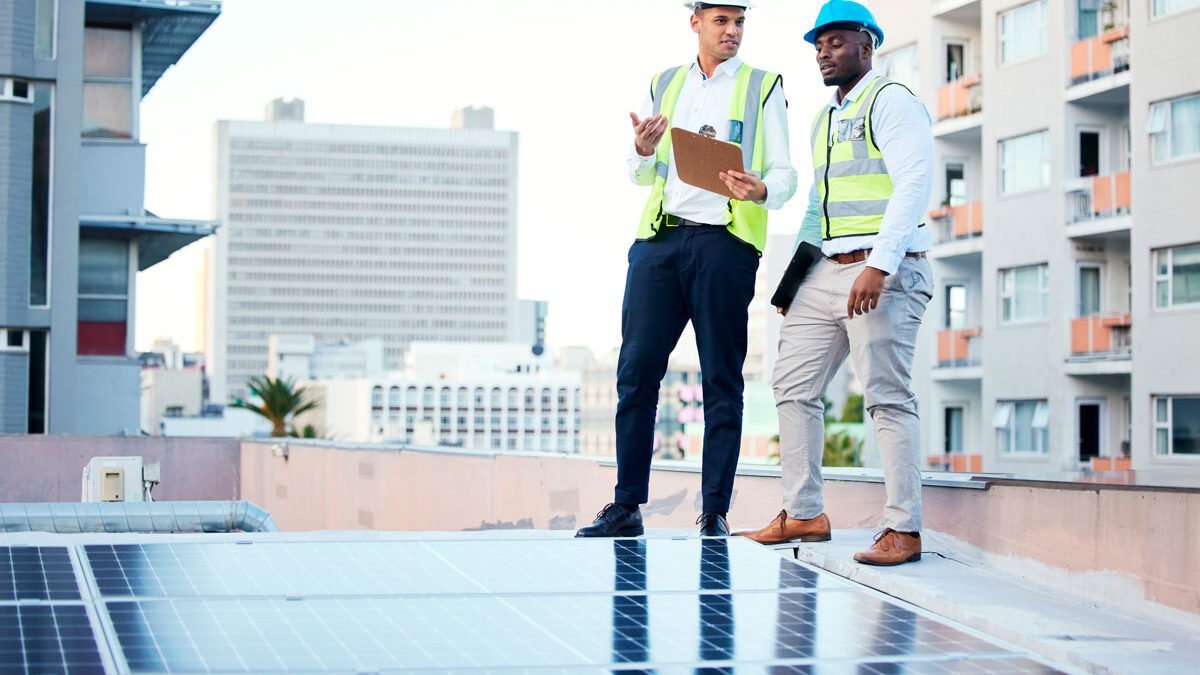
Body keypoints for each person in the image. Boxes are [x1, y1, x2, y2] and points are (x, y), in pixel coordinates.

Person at [576, 0, 797, 538]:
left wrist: (762, 189)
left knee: (721, 379)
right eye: (721, 21)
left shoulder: (764, 86)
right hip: (660, 241)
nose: (733, 31)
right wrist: (640, 149)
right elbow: (642, 174)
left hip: (724, 244)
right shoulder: (666, 82)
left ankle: (714, 513)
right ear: (694, 22)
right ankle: (627, 507)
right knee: (636, 374)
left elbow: (786, 175)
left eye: (739, 21)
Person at [738, 0, 934, 566]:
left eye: (836, 40)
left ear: (867, 44)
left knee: (887, 398)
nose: (823, 51)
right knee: (792, 385)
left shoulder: (892, 101)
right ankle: (804, 513)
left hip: (884, 270)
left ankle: (904, 529)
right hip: (826, 271)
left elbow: (914, 182)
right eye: (818, 43)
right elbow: (817, 207)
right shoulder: (825, 117)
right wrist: (792, 282)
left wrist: (881, 263)